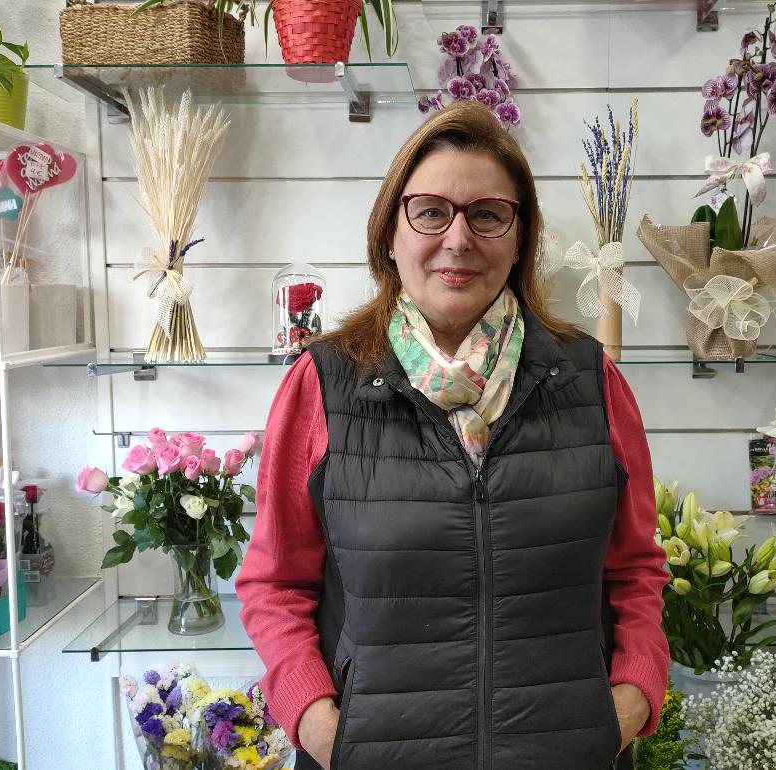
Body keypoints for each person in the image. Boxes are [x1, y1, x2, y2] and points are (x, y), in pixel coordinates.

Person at [237, 100, 669, 770]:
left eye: (488, 214)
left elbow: (635, 566)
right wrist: (319, 724)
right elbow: (275, 582)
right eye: (431, 211)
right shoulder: (322, 384)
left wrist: (631, 698)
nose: (459, 239)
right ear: (390, 231)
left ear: (520, 236)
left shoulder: (590, 379)